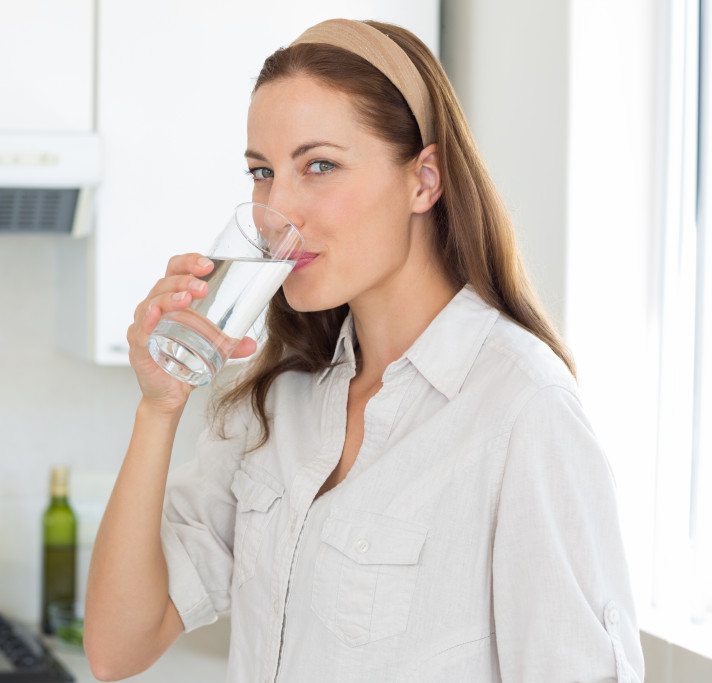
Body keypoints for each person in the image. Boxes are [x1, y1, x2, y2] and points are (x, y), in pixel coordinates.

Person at [84, 17, 644, 683]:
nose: (279, 209)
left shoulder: (523, 410)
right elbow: (117, 647)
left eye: (318, 165)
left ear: (423, 180)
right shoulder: (278, 399)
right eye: (262, 172)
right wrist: (159, 407)